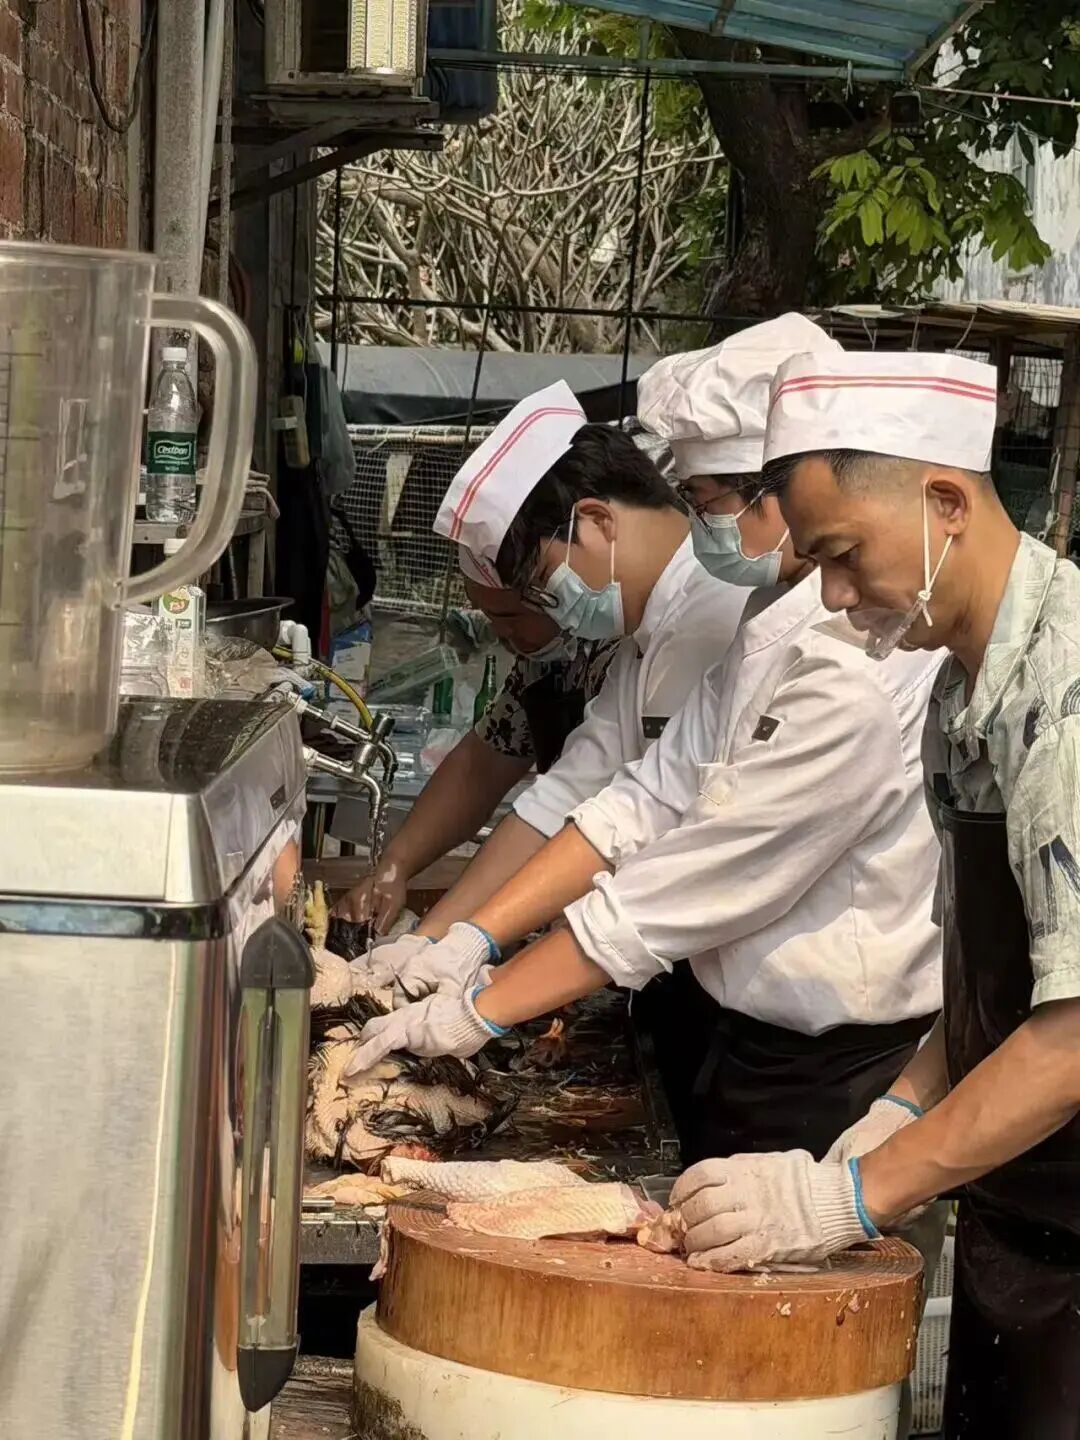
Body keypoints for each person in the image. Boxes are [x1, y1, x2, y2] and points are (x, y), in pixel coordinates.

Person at [344, 324, 944, 1182]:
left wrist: (481, 1006)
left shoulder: (842, 662)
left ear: (785, 501)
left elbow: (697, 877)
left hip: (829, 1059)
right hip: (735, 1020)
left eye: (705, 501)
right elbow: (629, 797)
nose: (704, 524)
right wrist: (463, 938)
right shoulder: (759, 625)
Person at [670, 348, 1080, 1438]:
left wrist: (851, 1195)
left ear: (946, 501)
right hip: (1022, 1214)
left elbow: (1076, 1035)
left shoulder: (1067, 700)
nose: (839, 600)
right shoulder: (960, 697)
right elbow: (1008, 976)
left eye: (844, 557)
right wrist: (900, 1101)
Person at [338, 550, 617, 932]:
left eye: (510, 617)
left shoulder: (624, 656)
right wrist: (395, 865)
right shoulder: (544, 660)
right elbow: (482, 765)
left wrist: (438, 937)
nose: (501, 635)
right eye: (490, 618)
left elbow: (561, 810)